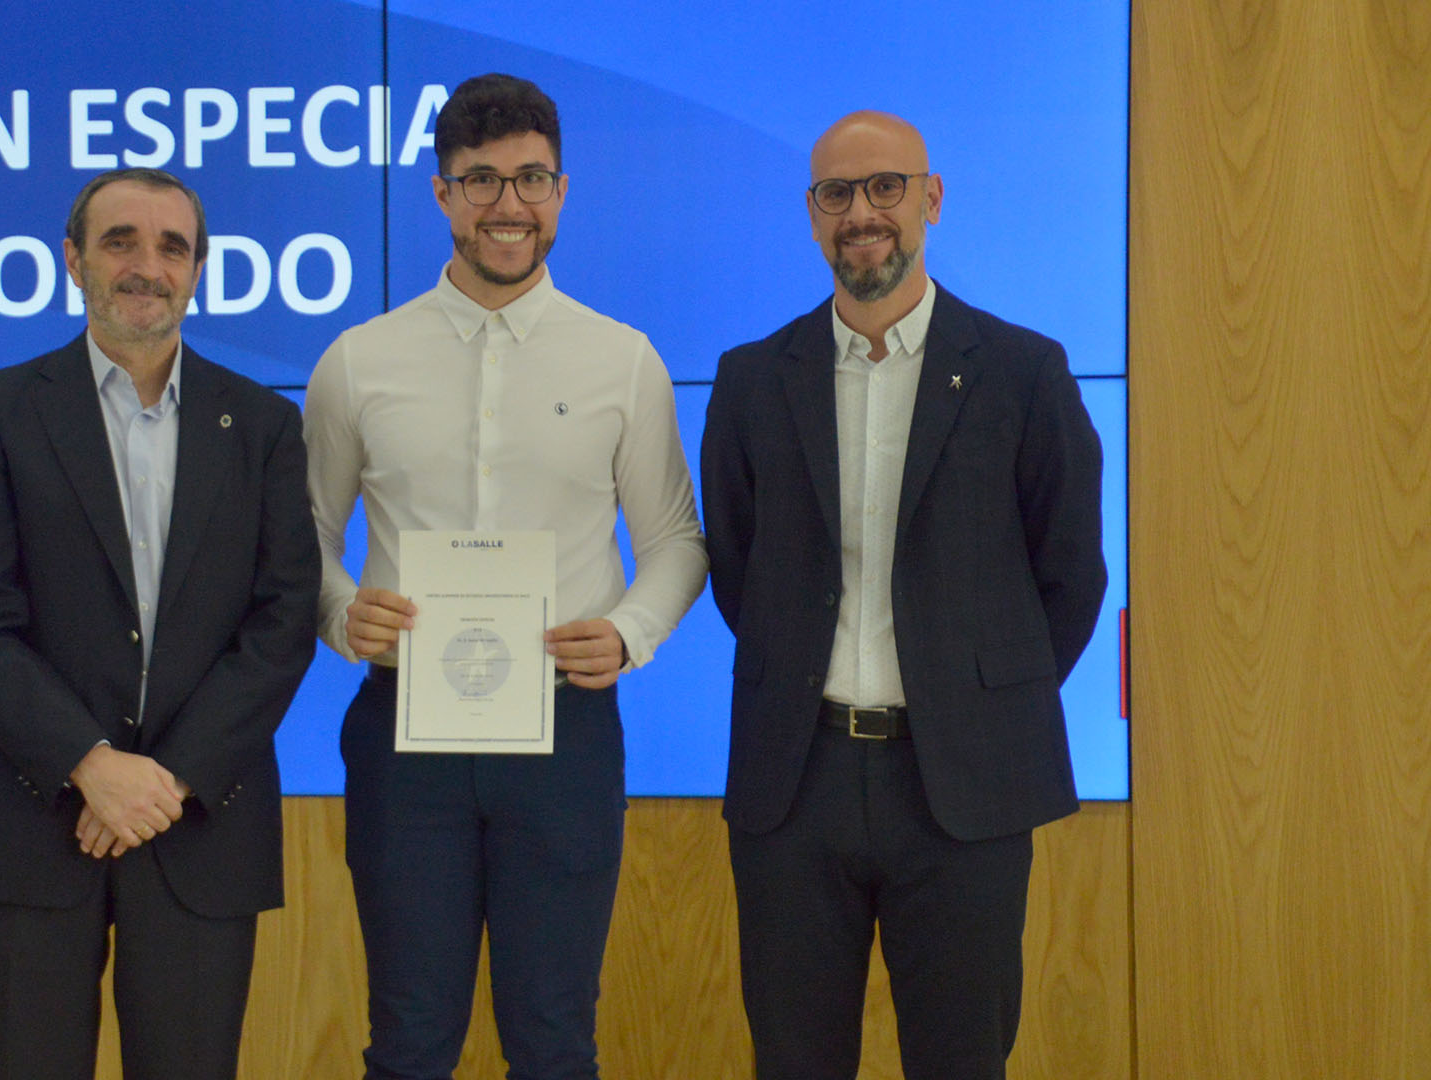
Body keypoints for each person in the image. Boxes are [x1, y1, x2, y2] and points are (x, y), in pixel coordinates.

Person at [304, 73, 706, 1080]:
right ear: (442, 193)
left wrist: (628, 634)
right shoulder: (357, 361)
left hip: (565, 731)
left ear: (561, 192)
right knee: (408, 1041)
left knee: (555, 1041)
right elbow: (301, 537)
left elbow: (675, 541)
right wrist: (340, 610)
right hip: (405, 736)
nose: (508, 204)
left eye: (531, 179)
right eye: (480, 180)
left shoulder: (623, 360)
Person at [700, 111, 1106, 1079]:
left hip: (965, 786)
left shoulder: (1025, 372)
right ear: (811, 214)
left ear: (931, 199)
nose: (862, 213)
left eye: (886, 187)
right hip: (796, 787)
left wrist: (976, 698)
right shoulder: (752, 380)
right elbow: (739, 571)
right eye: (837, 194)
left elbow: (1071, 573)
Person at [0, 167, 320, 1080]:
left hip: (199, 829)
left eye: (172, 247)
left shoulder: (262, 424)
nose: (148, 266)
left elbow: (282, 623)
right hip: (33, 821)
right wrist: (91, 765)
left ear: (197, 272)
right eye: (120, 242)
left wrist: (167, 780)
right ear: (74, 260)